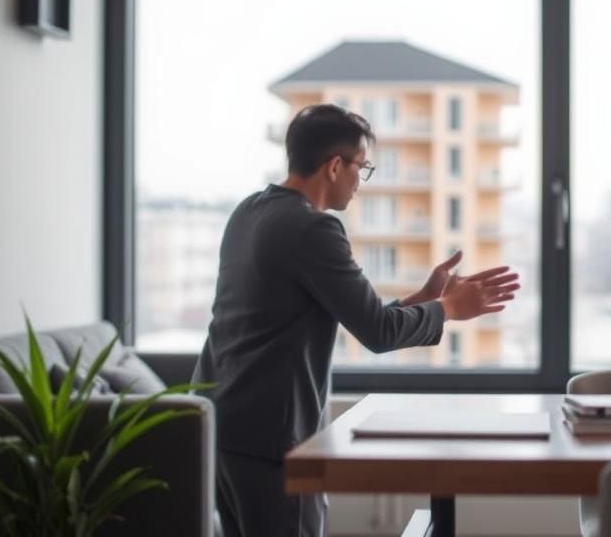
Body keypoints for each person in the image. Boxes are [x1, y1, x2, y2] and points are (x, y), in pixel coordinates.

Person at [192, 103, 520, 537]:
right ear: (334, 166)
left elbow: (367, 317)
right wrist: (450, 310)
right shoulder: (313, 229)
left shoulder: (248, 212)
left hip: (221, 426)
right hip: (273, 438)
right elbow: (378, 334)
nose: (360, 182)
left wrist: (427, 298)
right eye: (361, 168)